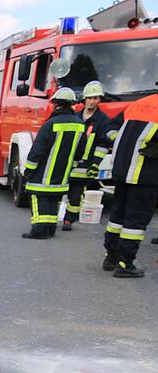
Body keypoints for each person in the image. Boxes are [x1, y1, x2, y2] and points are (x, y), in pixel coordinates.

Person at [102, 93, 158, 277]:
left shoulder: (139, 104)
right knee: (136, 220)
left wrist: (123, 142)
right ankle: (125, 264)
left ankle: (111, 257)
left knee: (118, 215)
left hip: (122, 169)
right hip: (145, 174)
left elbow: (109, 127)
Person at [21, 87, 86, 239]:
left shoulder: (51, 124)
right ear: (72, 104)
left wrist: (29, 170)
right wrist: (73, 166)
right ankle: (50, 229)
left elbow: (37, 150)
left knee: (39, 198)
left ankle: (38, 231)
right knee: (54, 200)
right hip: (62, 175)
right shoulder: (80, 125)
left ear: (56, 103)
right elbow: (81, 150)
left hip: (42, 174)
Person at [63, 81, 112, 230]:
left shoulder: (102, 120)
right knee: (58, 190)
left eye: (96, 98)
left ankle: (69, 220)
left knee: (76, 193)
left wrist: (95, 164)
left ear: (100, 100)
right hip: (68, 161)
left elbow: (103, 145)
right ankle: (53, 217)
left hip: (86, 164)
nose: (92, 101)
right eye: (90, 98)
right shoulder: (75, 116)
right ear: (84, 99)